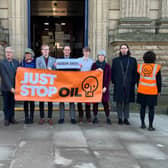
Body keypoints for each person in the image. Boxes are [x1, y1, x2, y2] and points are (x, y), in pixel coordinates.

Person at [111, 44, 137, 125]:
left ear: (128, 49)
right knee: (119, 101)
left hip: (129, 84)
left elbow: (135, 73)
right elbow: (113, 72)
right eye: (122, 48)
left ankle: (126, 118)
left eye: (125, 48)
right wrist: (115, 81)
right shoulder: (115, 60)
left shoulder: (133, 60)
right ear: (120, 50)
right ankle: (119, 118)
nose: (123, 50)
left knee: (127, 102)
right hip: (118, 84)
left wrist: (133, 82)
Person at [137, 51, 162, 131]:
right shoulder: (156, 67)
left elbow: (137, 80)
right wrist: (159, 90)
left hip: (142, 90)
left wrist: (139, 87)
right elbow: (159, 81)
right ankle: (150, 125)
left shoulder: (140, 67)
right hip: (152, 91)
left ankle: (142, 124)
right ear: (153, 58)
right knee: (151, 109)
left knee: (142, 108)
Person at [54, 46, 77, 124]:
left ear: (70, 51)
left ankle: (73, 118)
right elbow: (56, 71)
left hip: (71, 83)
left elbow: (77, 72)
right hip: (61, 83)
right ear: (63, 51)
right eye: (65, 50)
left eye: (68, 50)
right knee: (61, 101)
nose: (67, 51)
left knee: (72, 101)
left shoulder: (74, 61)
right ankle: (61, 118)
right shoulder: (58, 61)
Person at [36, 44, 56, 125]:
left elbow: (56, 71)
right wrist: (45, 71)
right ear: (41, 51)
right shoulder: (38, 59)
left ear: (49, 51)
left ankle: (50, 117)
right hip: (42, 83)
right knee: (41, 102)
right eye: (44, 50)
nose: (45, 51)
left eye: (47, 49)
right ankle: (42, 117)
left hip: (50, 84)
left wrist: (52, 70)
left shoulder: (53, 59)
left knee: (50, 102)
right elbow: (37, 70)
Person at [0, 47, 19, 126]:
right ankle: (6, 119)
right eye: (7, 52)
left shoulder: (16, 62)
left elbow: (19, 74)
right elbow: (4, 76)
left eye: (10, 52)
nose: (8, 53)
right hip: (6, 88)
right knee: (6, 104)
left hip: (15, 87)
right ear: (5, 53)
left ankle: (12, 117)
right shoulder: (2, 63)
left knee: (12, 103)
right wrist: (10, 88)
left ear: (12, 53)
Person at [91, 50, 112, 124]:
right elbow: (91, 75)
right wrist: (96, 70)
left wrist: (106, 87)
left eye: (102, 55)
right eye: (99, 55)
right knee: (95, 103)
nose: (101, 57)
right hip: (96, 87)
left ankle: (108, 117)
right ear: (97, 57)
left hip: (104, 87)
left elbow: (109, 77)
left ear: (104, 57)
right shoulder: (94, 65)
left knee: (105, 103)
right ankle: (95, 117)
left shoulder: (107, 66)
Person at [77, 47, 93, 123]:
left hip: (88, 83)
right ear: (83, 52)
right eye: (85, 51)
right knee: (79, 100)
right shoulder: (78, 60)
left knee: (87, 101)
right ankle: (80, 116)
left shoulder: (92, 62)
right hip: (79, 82)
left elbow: (94, 71)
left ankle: (88, 116)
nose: (86, 53)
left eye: (87, 52)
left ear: (89, 53)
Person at [20, 48, 36, 124]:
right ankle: (26, 117)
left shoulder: (35, 62)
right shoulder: (22, 63)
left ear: (31, 54)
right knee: (25, 102)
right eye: (26, 54)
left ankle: (32, 117)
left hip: (33, 86)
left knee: (32, 102)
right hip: (25, 86)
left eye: (29, 54)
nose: (27, 55)